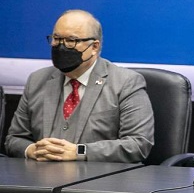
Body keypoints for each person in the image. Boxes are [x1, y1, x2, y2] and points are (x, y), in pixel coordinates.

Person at [4, 9, 154, 163]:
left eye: (71, 41)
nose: (61, 47)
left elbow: (138, 144)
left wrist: (79, 151)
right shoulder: (37, 80)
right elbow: (14, 139)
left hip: (99, 180)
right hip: (40, 178)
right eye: (56, 39)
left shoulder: (126, 83)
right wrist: (32, 150)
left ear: (94, 47)